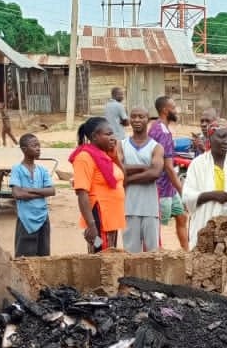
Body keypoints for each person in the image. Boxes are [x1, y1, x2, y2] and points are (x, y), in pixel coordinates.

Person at [182, 120, 227, 249]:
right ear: (210, 137)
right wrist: (212, 195)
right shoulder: (198, 164)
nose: (226, 141)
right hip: (204, 224)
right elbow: (187, 196)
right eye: (222, 137)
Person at [69, 116, 125, 252]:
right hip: (99, 217)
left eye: (113, 133)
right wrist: (91, 226)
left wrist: (115, 156)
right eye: (108, 134)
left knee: (109, 253)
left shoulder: (104, 156)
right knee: (100, 251)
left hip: (110, 217)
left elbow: (124, 176)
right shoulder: (84, 157)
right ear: (94, 137)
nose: (113, 137)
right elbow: (82, 193)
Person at [121, 108, 164, 253]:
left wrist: (128, 179)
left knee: (153, 253)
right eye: (133, 117)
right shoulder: (121, 145)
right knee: (130, 253)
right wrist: (145, 168)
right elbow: (119, 170)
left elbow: (155, 173)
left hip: (150, 209)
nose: (137, 120)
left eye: (141, 117)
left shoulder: (156, 147)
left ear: (148, 120)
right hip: (128, 208)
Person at [150, 95, 189, 252]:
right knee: (156, 223)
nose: (176, 111)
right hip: (162, 187)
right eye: (174, 107)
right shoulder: (162, 132)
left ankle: (186, 251)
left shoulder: (160, 128)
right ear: (165, 110)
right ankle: (156, 252)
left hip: (168, 187)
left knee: (181, 216)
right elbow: (168, 168)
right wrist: (182, 191)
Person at [9, 133, 55, 257]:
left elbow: (51, 191)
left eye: (39, 145)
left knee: (44, 255)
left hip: (43, 218)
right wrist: (41, 192)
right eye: (34, 145)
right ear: (24, 149)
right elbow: (17, 193)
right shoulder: (17, 169)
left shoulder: (42, 170)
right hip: (26, 219)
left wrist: (28, 190)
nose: (38, 148)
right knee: (25, 258)